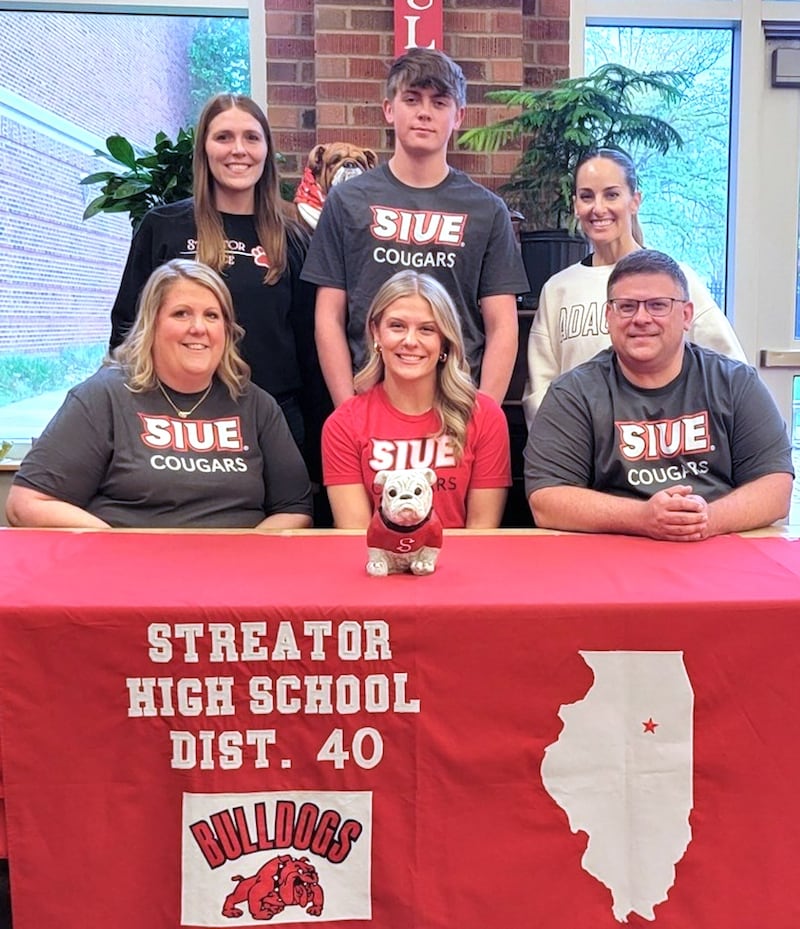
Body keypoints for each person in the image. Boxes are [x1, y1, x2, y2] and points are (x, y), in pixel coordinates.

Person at [6, 260, 313, 529]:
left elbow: (295, 510)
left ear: (227, 330)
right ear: (151, 326)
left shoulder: (257, 405)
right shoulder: (104, 396)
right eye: (181, 314)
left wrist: (244, 554)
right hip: (129, 579)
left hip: (233, 579)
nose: (198, 328)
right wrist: (115, 547)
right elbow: (27, 503)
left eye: (212, 315)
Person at [302, 47, 530, 408]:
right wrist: (347, 410)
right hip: (369, 400)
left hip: (456, 404)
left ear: (459, 116)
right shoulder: (347, 202)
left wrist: (483, 416)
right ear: (389, 109)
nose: (424, 112)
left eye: (439, 103)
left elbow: (502, 325)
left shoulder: (487, 211)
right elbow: (329, 316)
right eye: (412, 99)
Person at [108, 93, 327, 455]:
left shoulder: (295, 238)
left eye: (251, 138)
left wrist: (320, 452)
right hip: (178, 420)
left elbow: (311, 348)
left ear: (266, 151)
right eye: (223, 137)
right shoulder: (163, 228)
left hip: (274, 422)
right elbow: (126, 330)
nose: (238, 150)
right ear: (204, 149)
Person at [524, 249, 793, 541]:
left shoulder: (736, 383)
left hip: (718, 545)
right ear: (608, 315)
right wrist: (642, 519)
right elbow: (547, 501)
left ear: (686, 315)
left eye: (658, 305)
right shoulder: (572, 395)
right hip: (615, 549)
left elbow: (776, 488)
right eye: (627, 306)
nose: (641, 318)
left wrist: (706, 520)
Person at [522, 147, 746, 425]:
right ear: (575, 205)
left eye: (612, 194)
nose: (598, 208)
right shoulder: (558, 290)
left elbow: (730, 371)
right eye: (586, 196)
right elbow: (541, 393)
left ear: (635, 201)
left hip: (664, 456)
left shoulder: (677, 280)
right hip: (584, 456)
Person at [322, 270, 511, 529]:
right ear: (376, 333)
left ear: (445, 341)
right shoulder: (343, 424)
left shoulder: (484, 415)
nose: (410, 341)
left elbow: (482, 531)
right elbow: (357, 537)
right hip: (378, 566)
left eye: (427, 329)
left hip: (462, 565)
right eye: (397, 326)